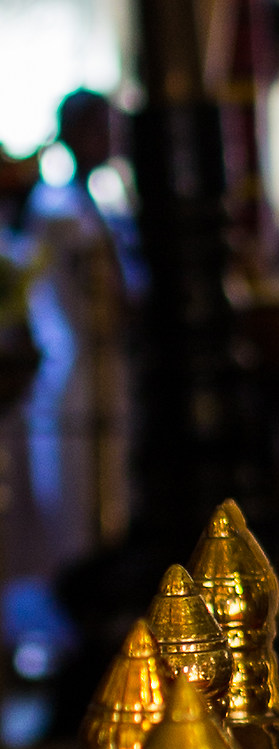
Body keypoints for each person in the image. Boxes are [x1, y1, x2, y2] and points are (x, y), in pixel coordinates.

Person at [22, 90, 131, 568]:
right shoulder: (57, 211)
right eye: (98, 128)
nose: (109, 140)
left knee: (111, 496)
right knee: (77, 508)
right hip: (75, 378)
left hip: (107, 374)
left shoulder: (98, 205)